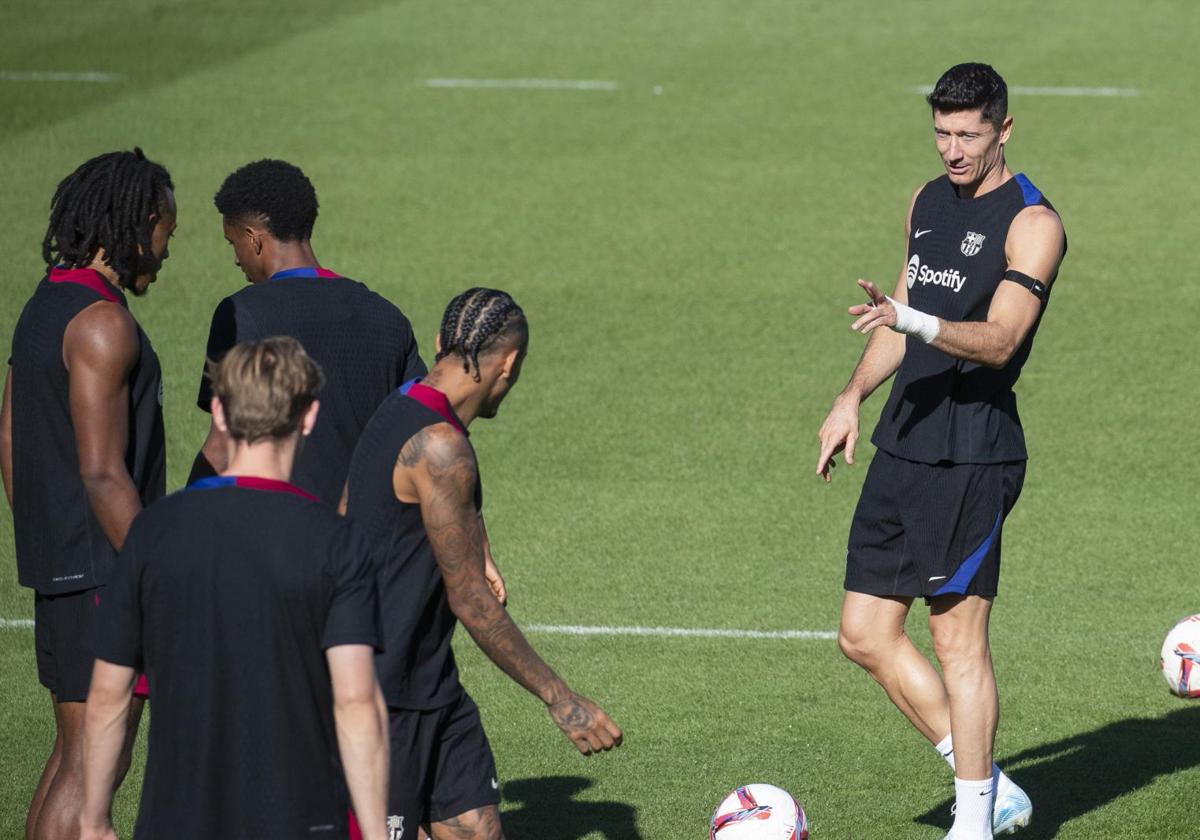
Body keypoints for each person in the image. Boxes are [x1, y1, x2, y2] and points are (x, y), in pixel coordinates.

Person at [815, 63, 1065, 840]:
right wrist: (852, 396)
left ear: (1004, 131)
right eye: (942, 133)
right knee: (863, 634)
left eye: (969, 135)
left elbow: (999, 340)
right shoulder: (926, 200)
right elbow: (897, 314)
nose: (953, 150)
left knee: (957, 636)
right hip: (905, 439)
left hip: (973, 452)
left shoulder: (1033, 223)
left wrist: (913, 320)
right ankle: (990, 783)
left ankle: (974, 821)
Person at [81, 337, 389, 840]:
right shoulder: (336, 542)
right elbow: (355, 701)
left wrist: (93, 820)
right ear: (308, 415)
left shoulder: (154, 531)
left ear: (220, 413)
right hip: (301, 818)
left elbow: (108, 694)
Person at [344, 288, 623, 840]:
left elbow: (362, 506)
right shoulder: (442, 446)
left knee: (475, 827)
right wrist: (561, 699)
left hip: (429, 678)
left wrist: (479, 540)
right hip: (383, 694)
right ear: (510, 364)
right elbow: (470, 600)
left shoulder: (405, 402)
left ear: (441, 343)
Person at [1, 148, 175, 840]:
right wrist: (153, 573)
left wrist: (49, 541)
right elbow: (104, 472)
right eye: (165, 229)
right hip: (107, 571)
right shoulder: (104, 325)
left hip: (65, 568)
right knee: (95, 767)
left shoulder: (45, 304)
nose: (165, 251)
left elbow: (9, 438)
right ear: (135, 222)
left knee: (74, 759)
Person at [189, 158, 426, 505]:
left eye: (232, 243)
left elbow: (222, 447)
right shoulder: (387, 316)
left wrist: (180, 525)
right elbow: (417, 436)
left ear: (254, 238)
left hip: (281, 536)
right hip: (363, 544)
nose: (236, 259)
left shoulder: (242, 314)